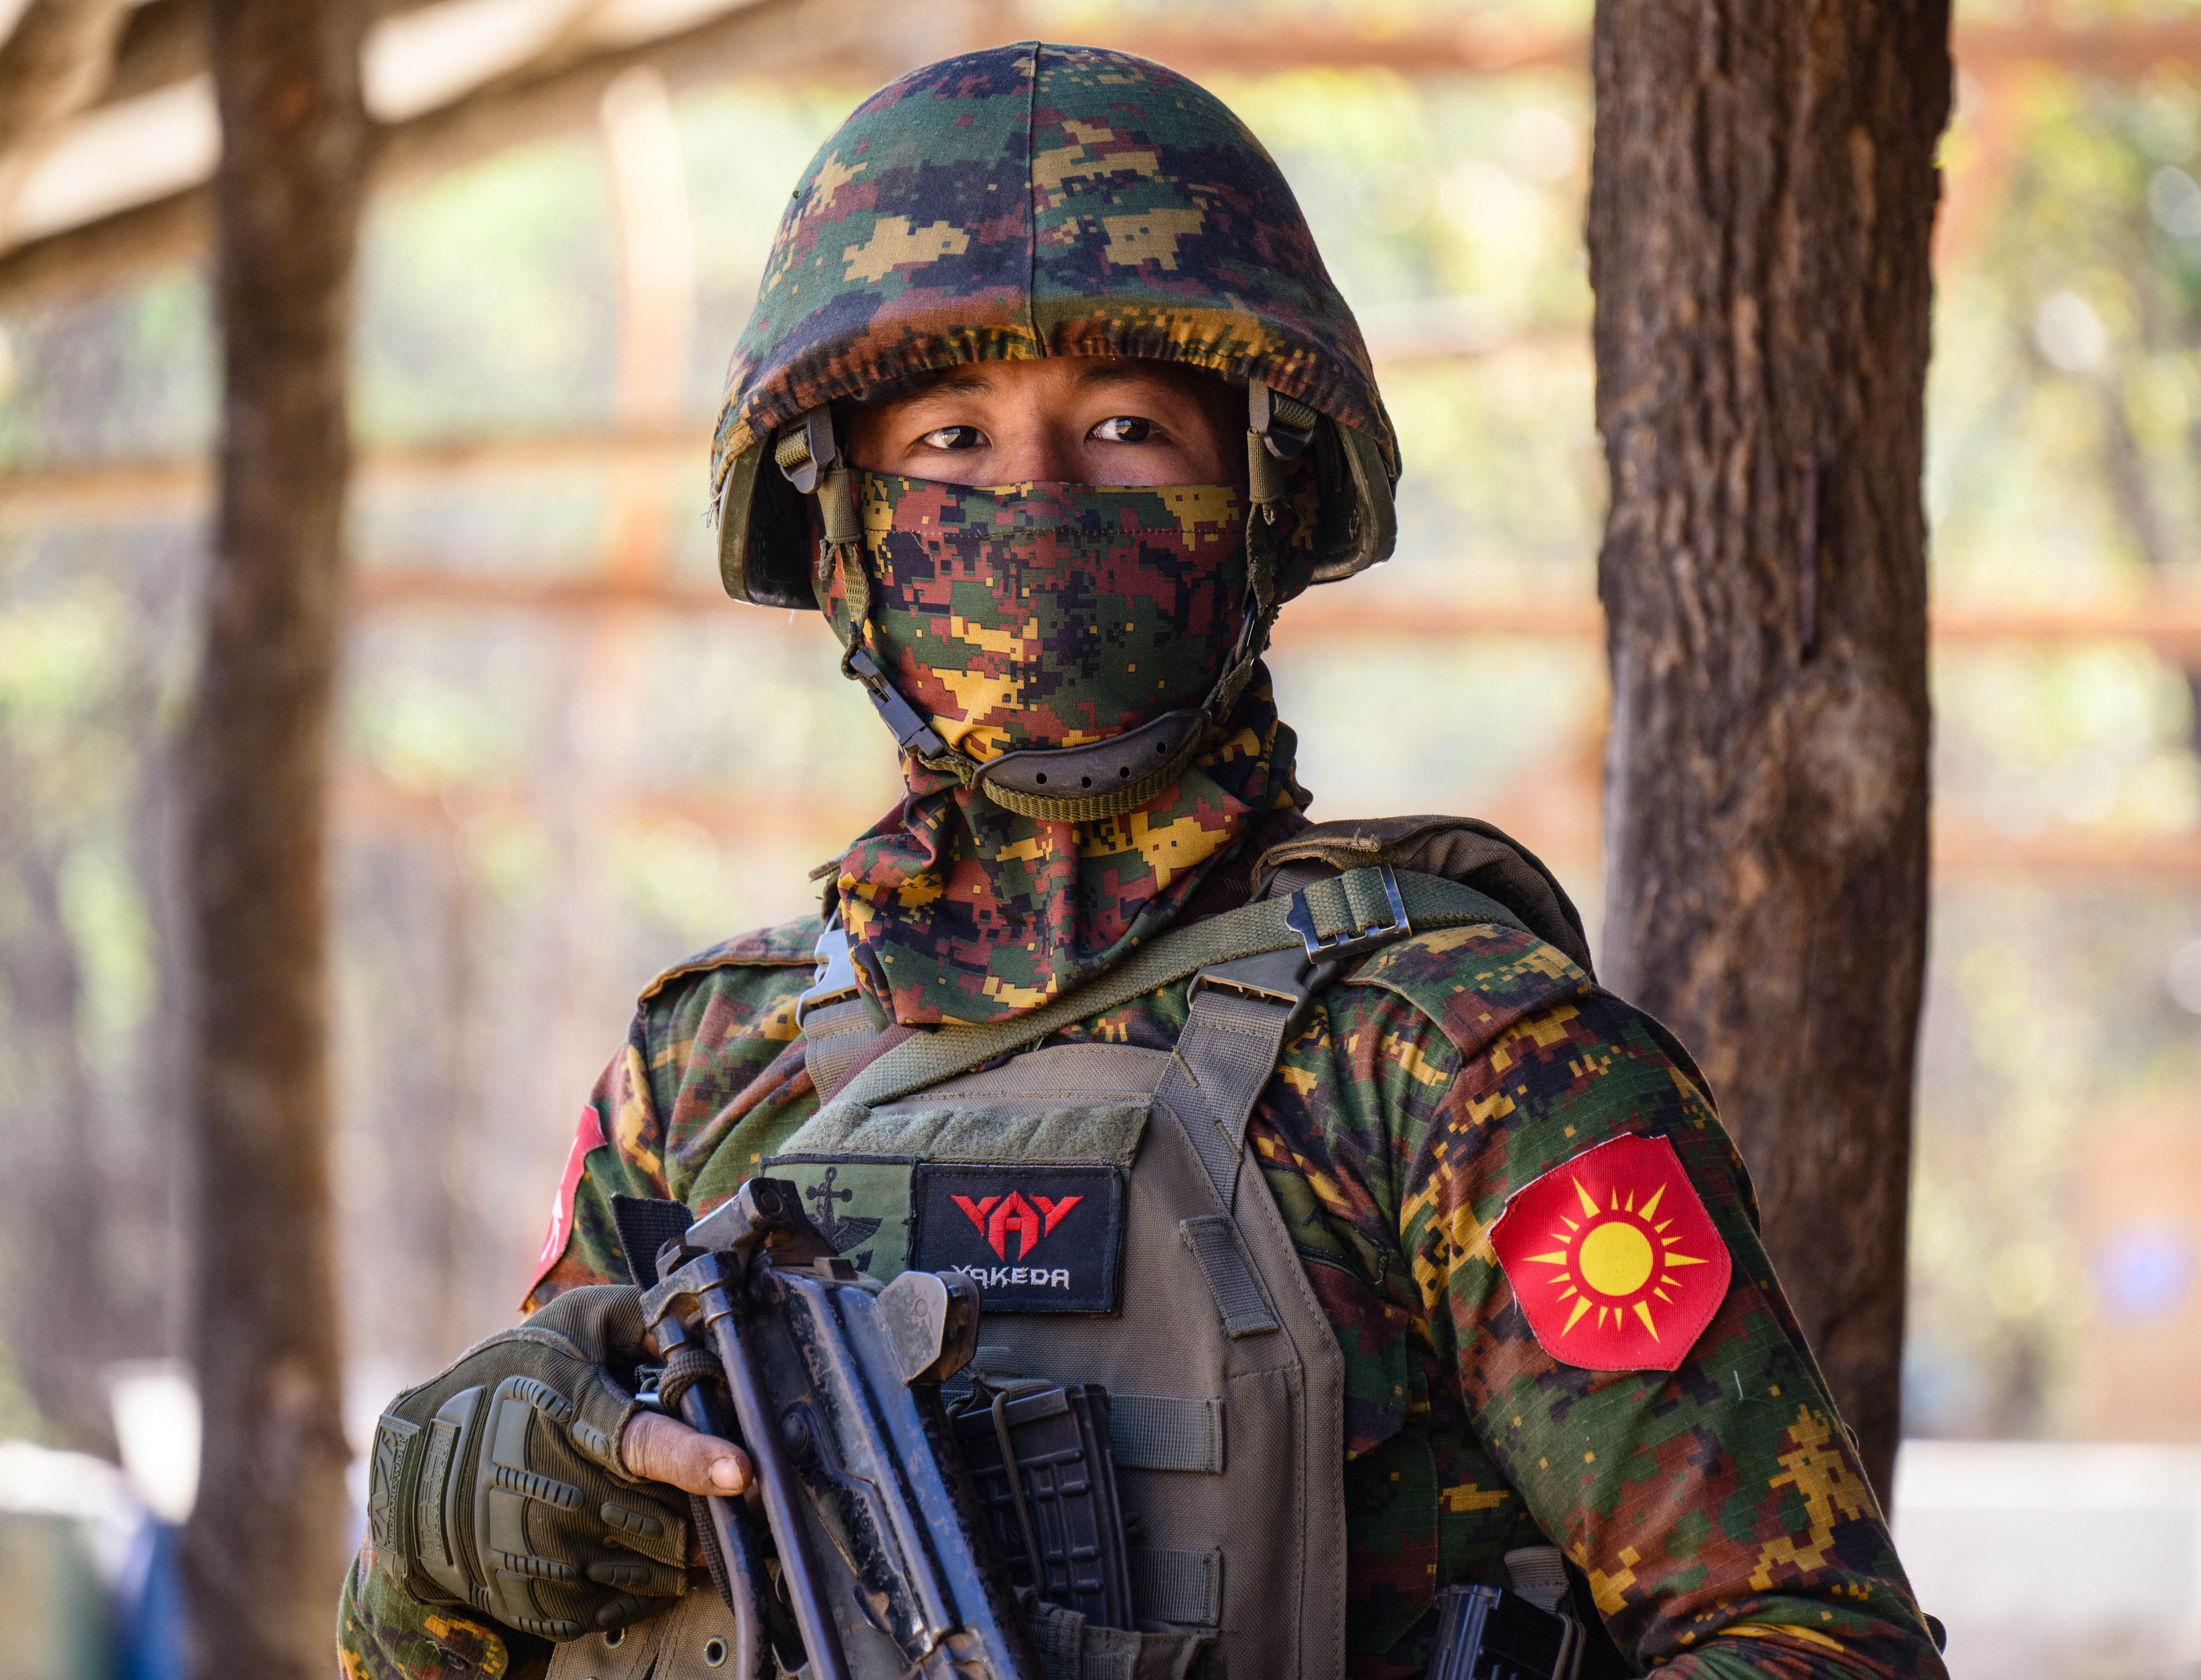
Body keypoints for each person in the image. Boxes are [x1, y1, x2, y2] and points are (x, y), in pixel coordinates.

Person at [339, 41, 1947, 1680]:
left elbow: (1804, 1639)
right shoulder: (706, 1076)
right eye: (952, 441)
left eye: (1124, 429)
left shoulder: (1457, 1063)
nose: (1035, 501)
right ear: (843, 535)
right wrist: (423, 1559)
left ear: (1261, 498)